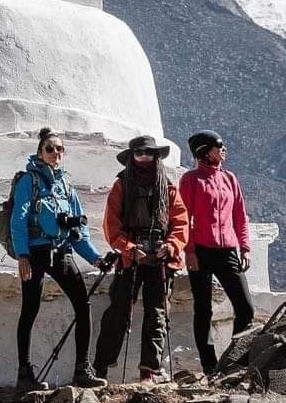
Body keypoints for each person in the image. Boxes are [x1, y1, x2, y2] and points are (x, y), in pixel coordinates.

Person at [12, 126, 108, 391]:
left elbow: (79, 231)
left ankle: (82, 369)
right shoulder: (28, 182)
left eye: (59, 149)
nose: (55, 153)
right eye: (50, 149)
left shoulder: (66, 185)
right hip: (35, 253)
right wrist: (22, 254)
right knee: (30, 309)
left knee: (82, 305)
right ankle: (24, 373)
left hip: (62, 251)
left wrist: (95, 258)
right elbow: (18, 220)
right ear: (40, 152)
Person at [93, 134, 189, 382]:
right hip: (130, 259)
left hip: (161, 259)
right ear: (132, 157)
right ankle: (100, 368)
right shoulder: (121, 186)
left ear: (156, 157)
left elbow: (180, 224)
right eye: (139, 153)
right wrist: (129, 247)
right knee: (118, 313)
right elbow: (111, 225)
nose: (145, 157)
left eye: (149, 153)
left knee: (156, 315)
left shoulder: (168, 188)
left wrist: (171, 246)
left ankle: (149, 370)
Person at [179, 130, 255, 375]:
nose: (224, 149)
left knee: (245, 308)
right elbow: (184, 218)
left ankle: (235, 360)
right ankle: (210, 365)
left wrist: (245, 247)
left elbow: (240, 216)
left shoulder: (230, 179)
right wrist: (189, 251)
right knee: (203, 309)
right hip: (200, 251)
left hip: (228, 250)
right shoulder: (191, 180)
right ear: (204, 150)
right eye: (218, 145)